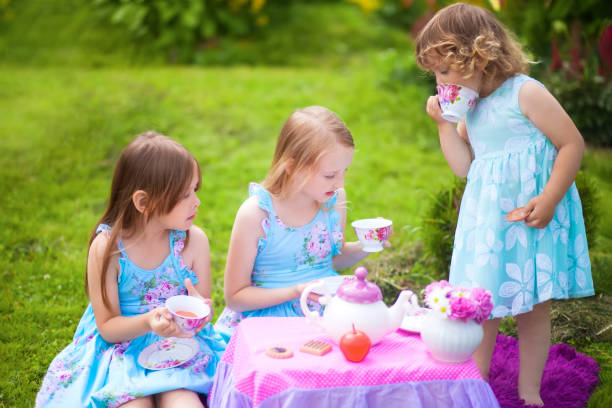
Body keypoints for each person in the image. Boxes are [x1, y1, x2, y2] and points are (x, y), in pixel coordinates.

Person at [415, 3, 594, 406]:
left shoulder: (525, 93)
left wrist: (549, 199)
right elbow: (464, 167)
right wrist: (445, 124)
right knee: (483, 306)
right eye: (436, 74)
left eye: (444, 70)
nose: (440, 81)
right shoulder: (470, 108)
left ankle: (530, 392)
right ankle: (476, 384)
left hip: (531, 217)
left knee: (533, 311)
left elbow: (572, 144)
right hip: (489, 226)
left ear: (476, 56)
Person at [36, 132, 226, 407]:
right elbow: (108, 328)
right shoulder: (107, 249)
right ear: (144, 203)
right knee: (134, 402)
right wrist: (148, 322)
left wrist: (200, 311)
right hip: (121, 349)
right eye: (184, 194)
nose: (196, 201)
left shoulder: (193, 241)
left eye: (195, 190)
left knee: (184, 401)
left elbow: (202, 314)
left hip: (179, 348)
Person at [215, 106, 383, 341]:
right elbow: (235, 296)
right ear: (292, 166)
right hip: (269, 317)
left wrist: (369, 244)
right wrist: (296, 291)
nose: (340, 182)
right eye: (330, 175)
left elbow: (331, 258)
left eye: (345, 171)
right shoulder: (256, 215)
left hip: (324, 310)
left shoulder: (333, 201)